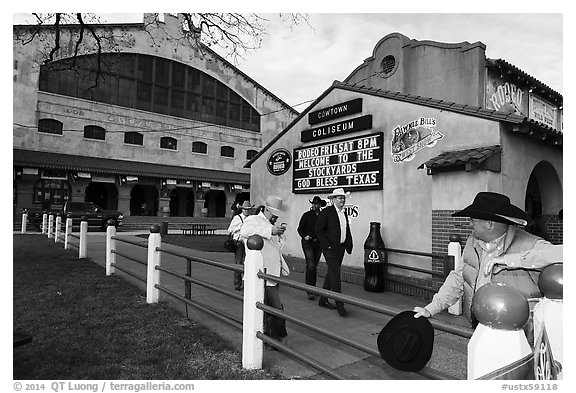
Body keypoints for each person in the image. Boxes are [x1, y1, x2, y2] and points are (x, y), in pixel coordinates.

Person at [413, 192, 560, 336]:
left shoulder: (531, 245)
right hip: (480, 325)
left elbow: (563, 254)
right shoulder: (472, 243)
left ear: (489, 224)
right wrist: (431, 308)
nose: (470, 224)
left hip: (519, 334)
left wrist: (509, 260)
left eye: (473, 220)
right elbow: (458, 277)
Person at [240, 195, 290, 345]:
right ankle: (273, 338)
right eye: (274, 214)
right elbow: (245, 231)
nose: (275, 217)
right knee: (273, 307)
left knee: (270, 307)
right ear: (266, 209)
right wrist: (270, 231)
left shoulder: (268, 224)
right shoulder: (253, 220)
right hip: (261, 272)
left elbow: (275, 249)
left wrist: (279, 236)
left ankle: (272, 337)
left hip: (272, 271)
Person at [315, 188, 353, 317]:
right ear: (333, 199)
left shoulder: (344, 213)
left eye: (343, 198)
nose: (342, 200)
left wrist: (348, 243)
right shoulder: (326, 212)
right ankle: (339, 305)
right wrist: (327, 246)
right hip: (330, 249)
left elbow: (346, 229)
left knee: (331, 273)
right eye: (339, 198)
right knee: (336, 275)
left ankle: (323, 299)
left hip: (341, 248)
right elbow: (318, 230)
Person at [298, 196, 327, 300]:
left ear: (320, 205)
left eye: (316, 204)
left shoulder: (323, 216)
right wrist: (305, 236)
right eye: (313, 203)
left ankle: (313, 289)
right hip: (308, 242)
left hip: (318, 243)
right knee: (310, 265)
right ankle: (309, 290)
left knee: (314, 265)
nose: (314, 205)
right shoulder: (306, 215)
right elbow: (300, 228)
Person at [227, 200, 254, 290]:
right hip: (239, 243)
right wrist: (240, 227)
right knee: (238, 263)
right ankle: (237, 283)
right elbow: (230, 229)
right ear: (242, 209)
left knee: (248, 263)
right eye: (245, 209)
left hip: (248, 242)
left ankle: (246, 283)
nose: (246, 211)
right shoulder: (237, 218)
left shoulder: (251, 219)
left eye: (248, 209)